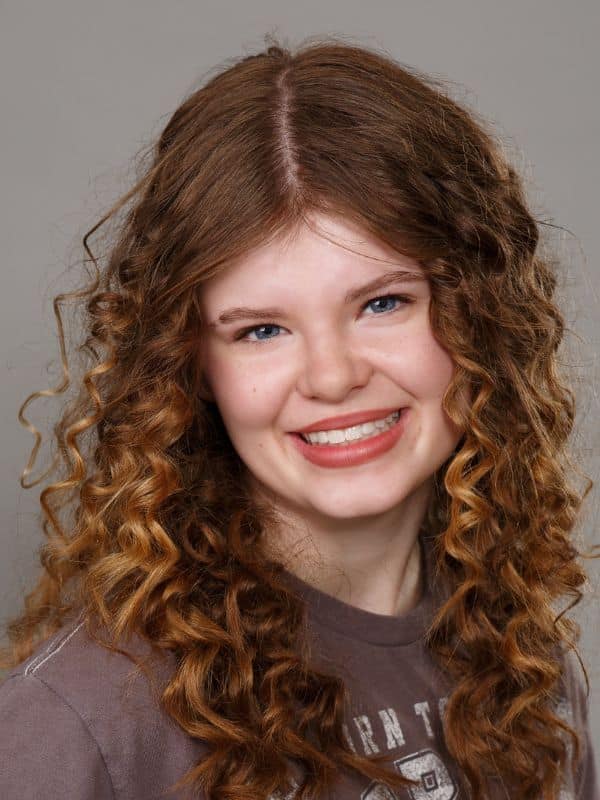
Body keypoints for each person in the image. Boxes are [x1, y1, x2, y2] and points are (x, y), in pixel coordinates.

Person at [0, 34, 598, 800]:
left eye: (383, 303)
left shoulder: (525, 668)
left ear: (481, 317)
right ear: (192, 367)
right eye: (261, 330)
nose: (333, 375)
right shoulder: (77, 726)